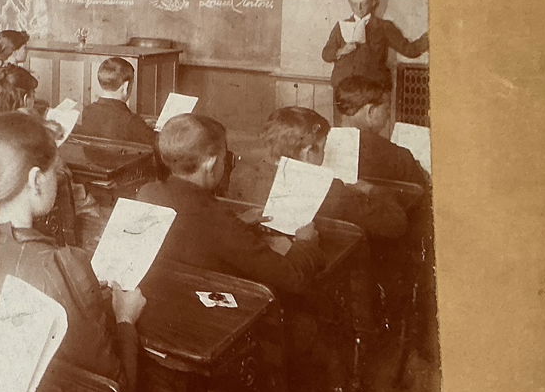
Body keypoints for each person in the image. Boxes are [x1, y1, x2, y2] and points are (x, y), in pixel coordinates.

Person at [0, 113, 145, 392]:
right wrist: (125, 318)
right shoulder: (57, 268)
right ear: (35, 180)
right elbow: (116, 387)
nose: (57, 178)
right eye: (54, 170)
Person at [136, 114, 323, 298]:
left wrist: (238, 223)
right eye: (224, 157)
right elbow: (293, 277)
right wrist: (305, 243)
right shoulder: (218, 220)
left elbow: (195, 237)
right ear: (211, 163)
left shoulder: (147, 193)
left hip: (171, 296)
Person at [229, 107, 408, 244]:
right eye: (323, 148)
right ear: (307, 152)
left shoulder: (240, 174)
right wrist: (372, 189)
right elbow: (396, 225)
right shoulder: (332, 190)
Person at [0, 62, 101, 248]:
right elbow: (61, 176)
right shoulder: (35, 130)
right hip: (42, 204)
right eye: (33, 95)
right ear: (26, 99)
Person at [320, 0, 428, 90]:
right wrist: (342, 51)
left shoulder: (384, 26)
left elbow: (410, 50)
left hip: (372, 89)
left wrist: (431, 36)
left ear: (373, 3)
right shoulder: (341, 26)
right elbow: (326, 55)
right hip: (343, 88)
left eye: (364, 3)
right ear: (349, 3)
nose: (359, 8)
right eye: (354, 4)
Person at [333, 76, 429, 186]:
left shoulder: (321, 145)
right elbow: (421, 192)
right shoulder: (400, 157)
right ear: (370, 112)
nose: (388, 114)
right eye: (386, 108)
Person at [74, 57, 156, 146]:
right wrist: (141, 126)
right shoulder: (131, 121)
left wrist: (141, 125)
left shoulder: (88, 111)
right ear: (125, 86)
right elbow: (159, 143)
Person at [0, 29, 31, 104]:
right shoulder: (14, 74)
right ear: (14, 51)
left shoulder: (0, 70)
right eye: (24, 48)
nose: (27, 51)